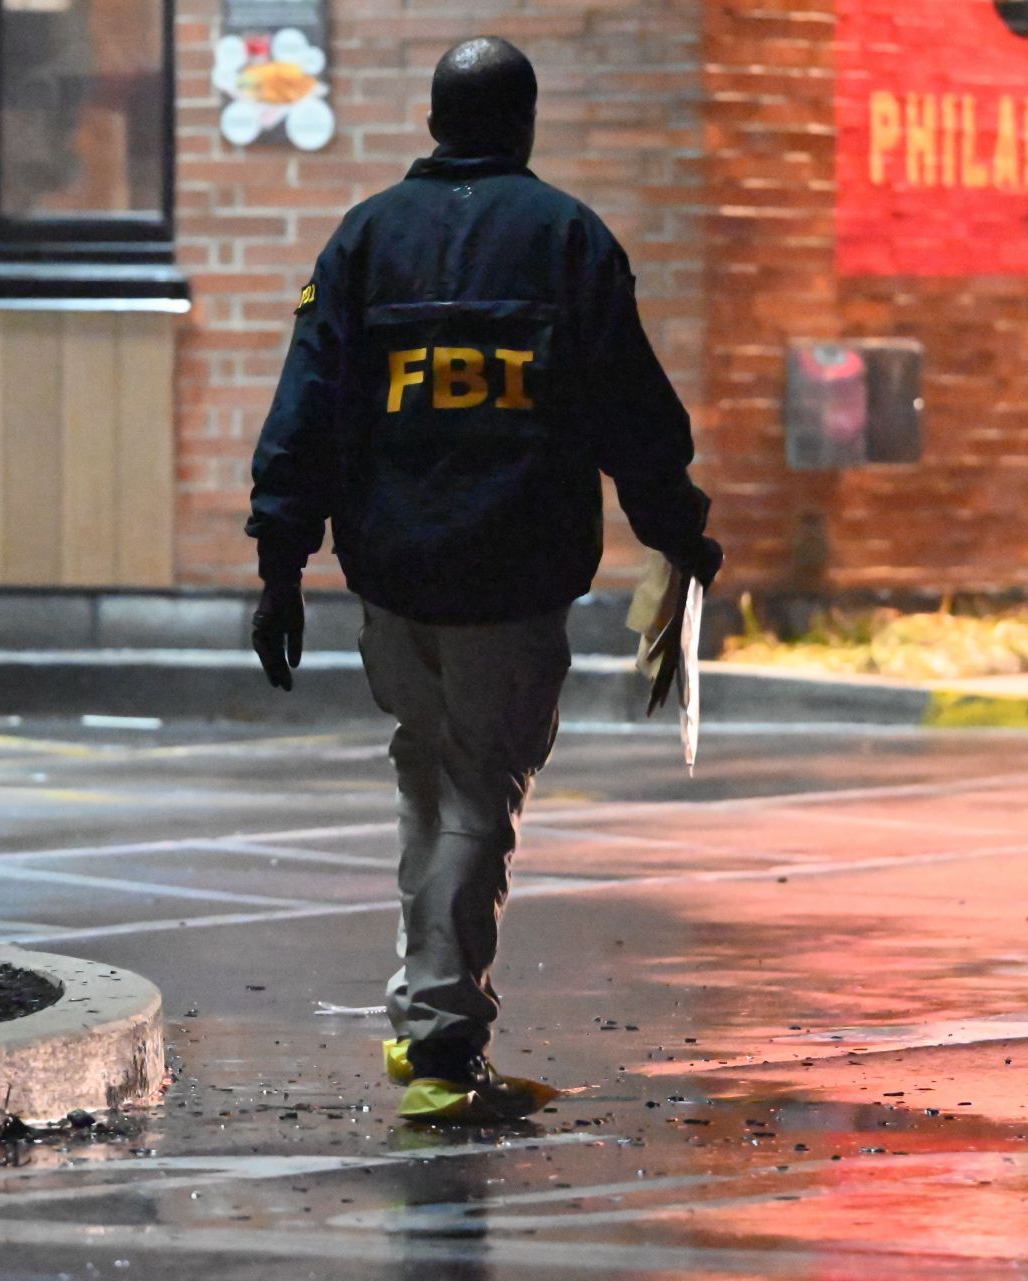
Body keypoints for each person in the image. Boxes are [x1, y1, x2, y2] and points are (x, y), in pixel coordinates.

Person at [245, 36, 722, 1123]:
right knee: (475, 798)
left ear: (431, 120)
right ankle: (441, 1041)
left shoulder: (366, 240)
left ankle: (427, 1015)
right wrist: (678, 533)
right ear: (524, 124)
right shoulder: (566, 240)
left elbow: (305, 410)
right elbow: (632, 417)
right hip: (512, 575)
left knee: (429, 779)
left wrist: (282, 565)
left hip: (394, 575)